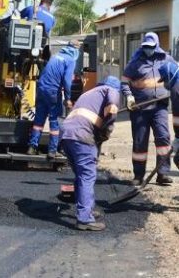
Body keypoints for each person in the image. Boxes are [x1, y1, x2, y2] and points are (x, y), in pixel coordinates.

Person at [61, 76, 121, 231]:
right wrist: (106, 132)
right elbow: (112, 110)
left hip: (66, 135)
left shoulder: (88, 93)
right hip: (82, 136)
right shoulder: (111, 90)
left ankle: (86, 209)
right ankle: (85, 219)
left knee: (81, 175)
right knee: (87, 175)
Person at [121, 32, 173, 186]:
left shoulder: (166, 60)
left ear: (156, 46)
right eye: (145, 47)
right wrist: (129, 97)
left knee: (163, 138)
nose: (148, 50)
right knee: (140, 142)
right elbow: (124, 82)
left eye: (150, 47)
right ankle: (138, 176)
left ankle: (162, 173)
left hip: (160, 107)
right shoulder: (135, 63)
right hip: (140, 109)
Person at [27, 40, 80, 158]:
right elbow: (67, 81)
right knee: (54, 120)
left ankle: (32, 147)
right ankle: (52, 150)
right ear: (75, 50)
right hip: (52, 92)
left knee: (39, 119)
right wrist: (68, 99)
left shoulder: (56, 56)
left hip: (41, 89)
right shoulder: (70, 60)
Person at [158, 60, 179, 168]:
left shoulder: (176, 89)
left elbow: (177, 117)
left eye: (165, 79)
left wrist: (178, 136)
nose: (165, 83)